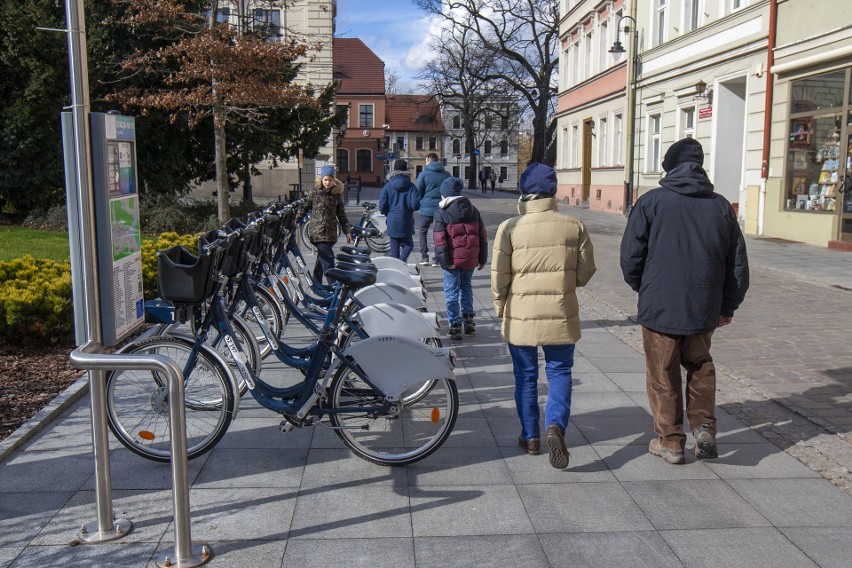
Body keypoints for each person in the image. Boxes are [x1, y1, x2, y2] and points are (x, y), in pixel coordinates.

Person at [620, 137, 749, 465]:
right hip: (703, 305)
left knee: (661, 371)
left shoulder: (651, 202)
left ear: (669, 166)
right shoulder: (721, 206)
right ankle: (704, 427)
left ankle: (671, 441)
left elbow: (630, 257)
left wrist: (645, 288)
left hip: (660, 304)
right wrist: (727, 306)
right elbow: (737, 263)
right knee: (700, 365)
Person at [491, 163, 596, 469]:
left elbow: (499, 276)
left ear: (523, 192)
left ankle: (530, 436)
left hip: (521, 314)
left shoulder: (509, 228)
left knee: (525, 377)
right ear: (554, 191)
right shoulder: (574, 226)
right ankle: (555, 427)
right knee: (560, 371)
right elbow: (586, 272)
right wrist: (565, 282)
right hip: (560, 312)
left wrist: (501, 307)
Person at [433, 177, 487, 340]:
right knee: (466, 287)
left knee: (451, 291)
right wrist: (482, 258)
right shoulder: (473, 210)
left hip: (452, 261)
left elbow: (439, 240)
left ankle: (455, 325)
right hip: (470, 258)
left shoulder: (442, 212)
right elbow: (482, 235)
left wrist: (445, 262)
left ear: (445, 195)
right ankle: (468, 319)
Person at [297, 165, 352, 284]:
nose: (327, 182)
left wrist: (347, 231)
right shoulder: (315, 193)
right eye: (325, 180)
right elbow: (303, 208)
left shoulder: (336, 195)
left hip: (331, 233)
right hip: (317, 233)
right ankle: (333, 285)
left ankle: (316, 283)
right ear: (321, 180)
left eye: (330, 180)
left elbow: (342, 215)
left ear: (334, 181)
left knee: (321, 258)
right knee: (328, 259)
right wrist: (295, 221)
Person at [379, 159, 421, 261]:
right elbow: (415, 205)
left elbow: (382, 206)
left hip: (392, 220)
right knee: (408, 245)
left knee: (394, 250)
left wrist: (387, 213)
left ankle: (396, 268)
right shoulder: (411, 186)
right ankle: (402, 262)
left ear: (394, 170)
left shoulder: (388, 186)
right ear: (405, 170)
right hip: (406, 220)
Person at [415, 152, 450, 266]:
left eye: (426, 161)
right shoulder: (447, 174)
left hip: (425, 209)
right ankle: (437, 258)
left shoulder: (424, 174)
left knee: (423, 232)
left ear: (429, 161)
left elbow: (418, 190)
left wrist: (420, 202)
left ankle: (424, 257)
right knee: (439, 233)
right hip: (440, 209)